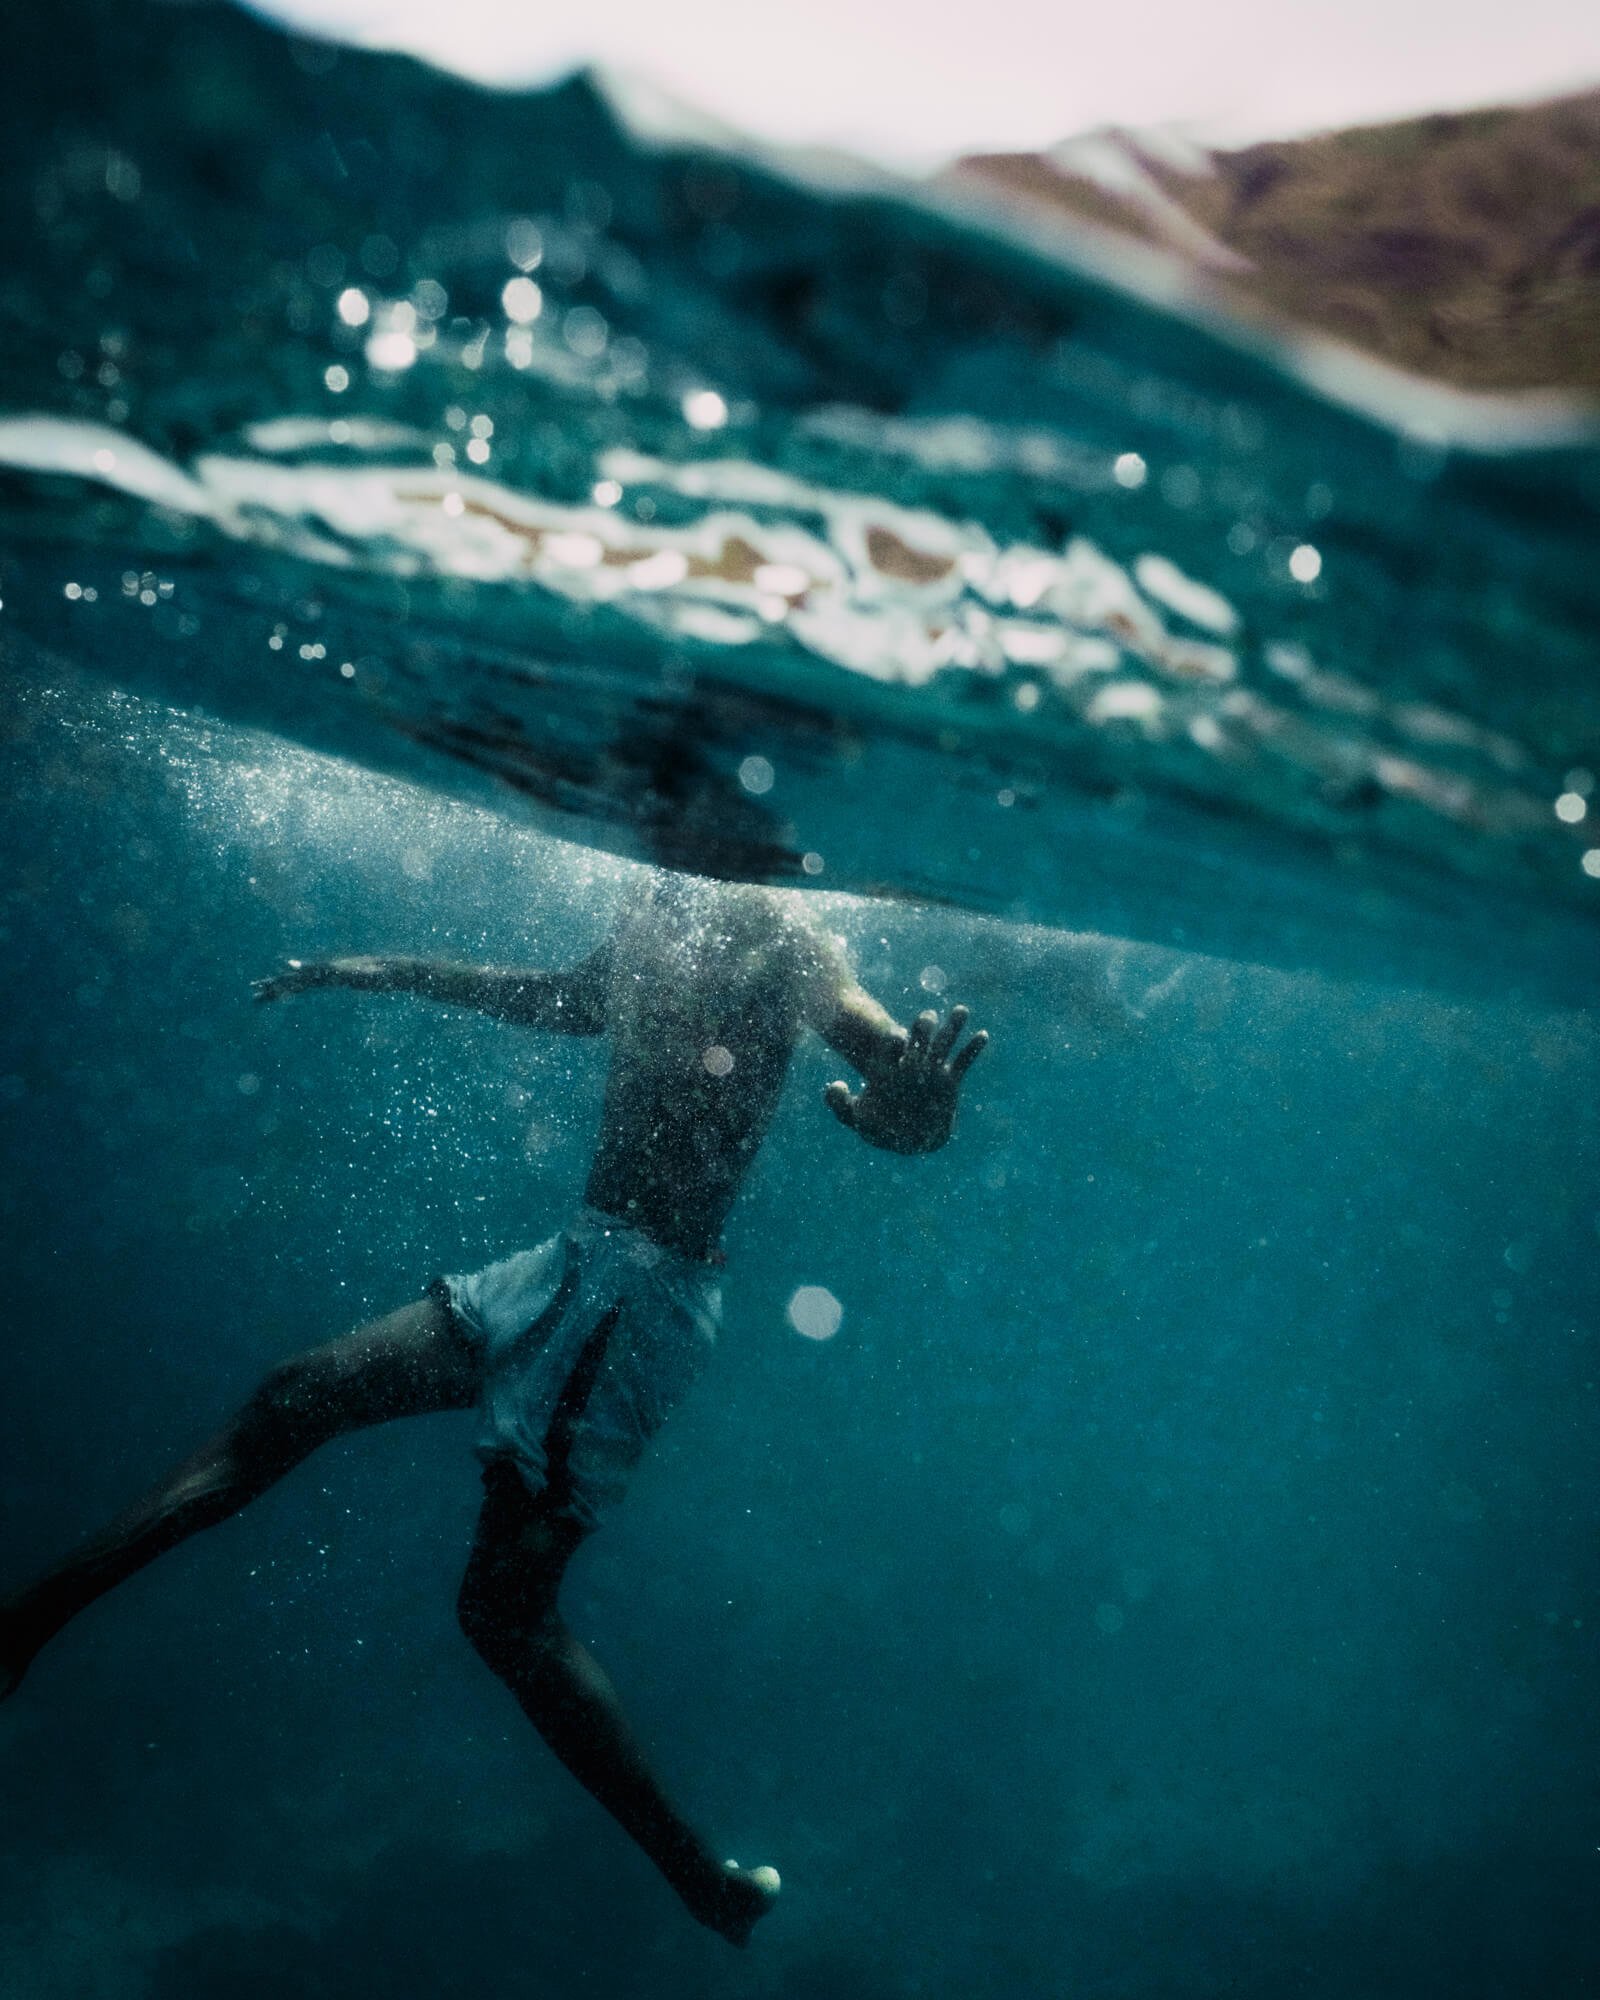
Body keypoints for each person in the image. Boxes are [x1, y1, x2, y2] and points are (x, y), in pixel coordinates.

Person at [0, 873, 987, 1945]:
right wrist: (373, 969)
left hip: (637, 1299)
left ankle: (699, 1877)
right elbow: (563, 998)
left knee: (502, 1612)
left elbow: (889, 1067)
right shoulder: (660, 898)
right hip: (565, 1264)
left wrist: (913, 1110)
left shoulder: (788, 929)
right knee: (293, 1397)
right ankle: (23, 1624)